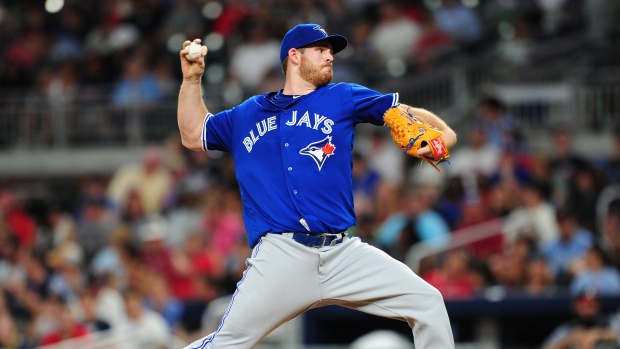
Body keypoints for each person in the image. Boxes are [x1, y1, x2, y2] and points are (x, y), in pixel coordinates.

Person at [177, 23, 457, 349]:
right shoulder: (247, 114)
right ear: (294, 56)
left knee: (428, 302)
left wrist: (444, 134)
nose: (329, 57)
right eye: (320, 50)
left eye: (331, 51)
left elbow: (402, 113)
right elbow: (193, 133)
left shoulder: (342, 97)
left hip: (343, 253)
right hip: (282, 257)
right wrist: (192, 78)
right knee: (227, 343)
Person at [542, 289, 618, 349]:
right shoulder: (568, 328)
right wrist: (569, 341)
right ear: (576, 307)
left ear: (597, 307)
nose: (588, 311)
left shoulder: (609, 322)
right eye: (584, 307)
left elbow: (617, 333)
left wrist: (600, 334)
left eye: (591, 306)